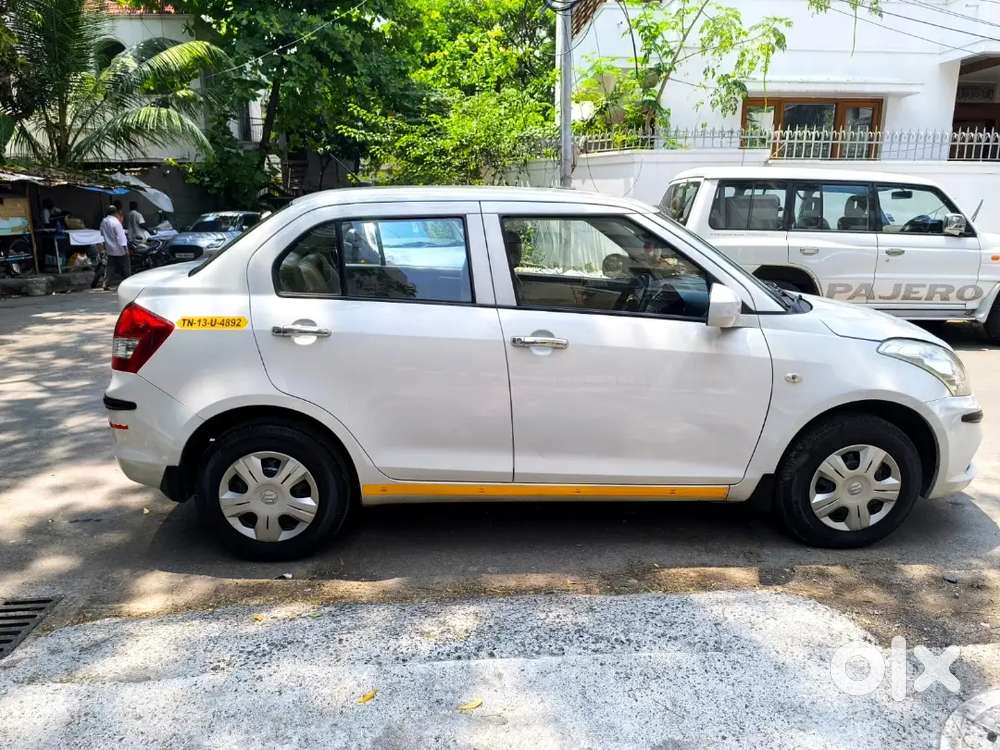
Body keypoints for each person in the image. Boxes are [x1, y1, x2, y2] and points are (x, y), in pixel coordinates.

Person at [100, 204, 130, 290]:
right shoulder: (116, 222)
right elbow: (121, 237)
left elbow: (102, 233)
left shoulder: (103, 221)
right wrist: (125, 249)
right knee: (126, 267)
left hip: (109, 249)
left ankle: (106, 283)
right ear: (116, 212)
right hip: (120, 249)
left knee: (110, 267)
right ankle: (128, 283)